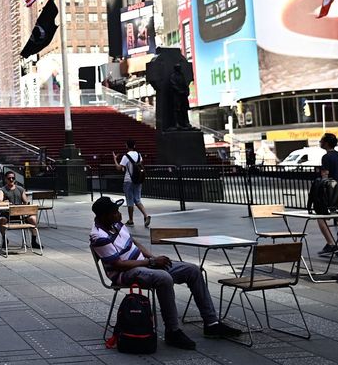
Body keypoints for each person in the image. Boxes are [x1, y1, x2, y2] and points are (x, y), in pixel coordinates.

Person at [89, 196, 241, 348]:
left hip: (144, 265)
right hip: (125, 273)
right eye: (115, 212)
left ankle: (211, 323)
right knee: (164, 278)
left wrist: (152, 258)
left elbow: (134, 243)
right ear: (104, 216)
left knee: (192, 270)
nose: (119, 215)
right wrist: (151, 263)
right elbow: (119, 264)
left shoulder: (116, 224)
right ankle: (172, 331)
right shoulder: (98, 236)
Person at [315, 133, 338, 255]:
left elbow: (325, 176)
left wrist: (321, 191)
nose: (320, 142)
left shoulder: (326, 157)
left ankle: (331, 244)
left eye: (321, 141)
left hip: (331, 192)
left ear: (326, 143)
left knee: (320, 217)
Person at [0, 170, 39, 249]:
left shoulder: (20, 189)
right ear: (5, 179)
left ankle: (34, 241)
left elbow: (26, 202)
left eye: (13, 178)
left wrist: (25, 200)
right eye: (9, 178)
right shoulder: (2, 190)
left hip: (20, 215)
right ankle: (4, 239)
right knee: (1, 220)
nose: (11, 180)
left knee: (33, 218)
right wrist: (3, 201)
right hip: (7, 214)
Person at [114, 139, 151, 228]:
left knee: (130, 201)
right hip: (138, 179)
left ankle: (131, 220)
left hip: (128, 180)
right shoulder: (139, 155)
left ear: (126, 146)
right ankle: (146, 215)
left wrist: (115, 159)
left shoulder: (125, 156)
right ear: (134, 146)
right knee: (137, 199)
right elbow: (139, 165)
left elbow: (119, 168)